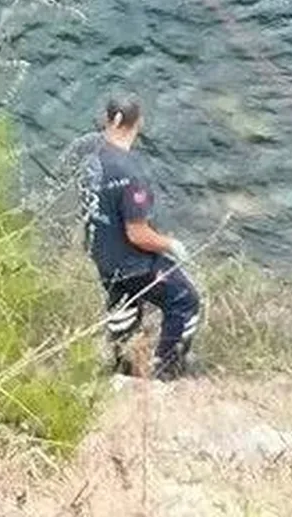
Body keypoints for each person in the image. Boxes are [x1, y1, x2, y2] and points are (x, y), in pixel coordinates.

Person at [80, 97, 200, 379]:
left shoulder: (92, 158)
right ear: (139, 123)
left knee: (124, 312)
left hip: (104, 257)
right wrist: (170, 244)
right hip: (134, 263)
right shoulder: (132, 173)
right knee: (185, 301)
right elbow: (137, 234)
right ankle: (166, 373)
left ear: (109, 118)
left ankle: (123, 373)